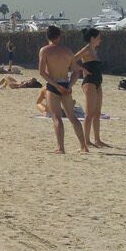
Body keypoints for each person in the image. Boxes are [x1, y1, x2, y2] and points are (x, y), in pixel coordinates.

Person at [38, 25, 90, 154]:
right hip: (66, 85)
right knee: (72, 117)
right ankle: (84, 146)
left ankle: (61, 147)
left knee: (56, 118)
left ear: (47, 37)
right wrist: (70, 85)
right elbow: (76, 71)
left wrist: (56, 86)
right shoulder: (67, 51)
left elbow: (42, 72)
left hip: (53, 86)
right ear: (59, 36)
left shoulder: (44, 50)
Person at [76, 28, 110, 148]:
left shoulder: (94, 51)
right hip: (89, 82)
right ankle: (86, 140)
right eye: (98, 37)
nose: (100, 39)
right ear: (92, 38)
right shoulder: (85, 50)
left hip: (98, 82)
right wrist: (82, 69)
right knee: (89, 113)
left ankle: (97, 139)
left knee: (97, 112)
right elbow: (71, 60)